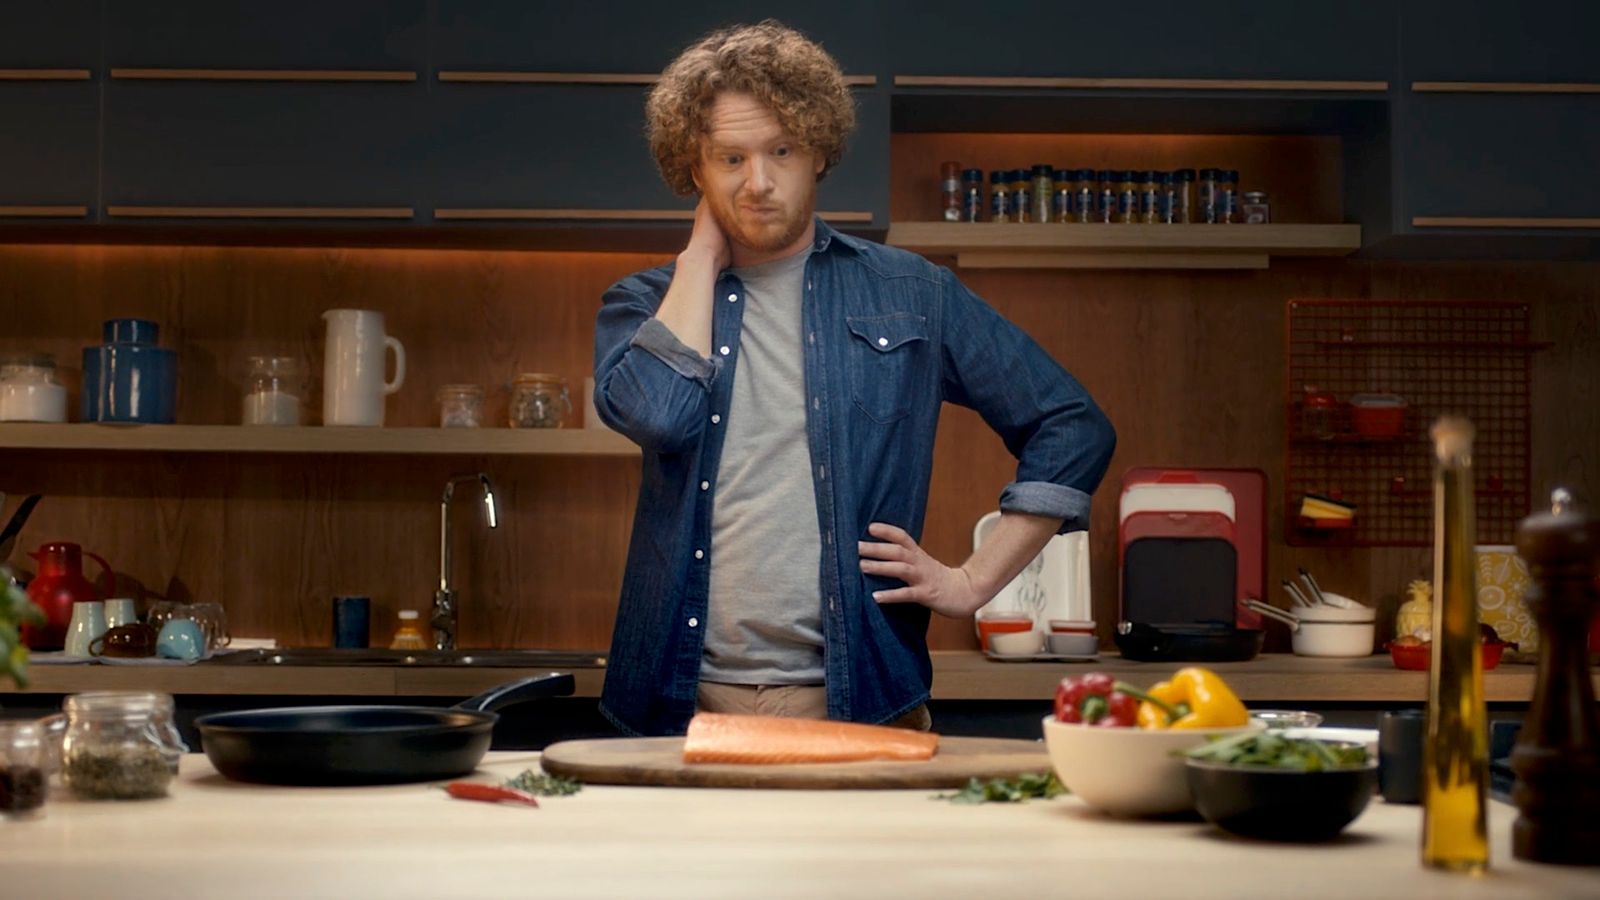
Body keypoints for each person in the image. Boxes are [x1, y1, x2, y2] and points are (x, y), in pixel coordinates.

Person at [592, 21, 1116, 737]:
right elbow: (661, 416)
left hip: (864, 703)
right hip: (677, 708)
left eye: (782, 151)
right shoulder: (643, 305)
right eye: (730, 158)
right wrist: (699, 261)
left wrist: (971, 581)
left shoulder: (911, 293)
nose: (759, 182)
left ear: (820, 152)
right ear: (695, 169)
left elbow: (1072, 425)